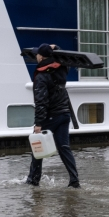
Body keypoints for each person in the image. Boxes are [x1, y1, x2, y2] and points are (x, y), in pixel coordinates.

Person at [26, 43, 80, 188]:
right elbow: (63, 56)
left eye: (38, 53)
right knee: (64, 148)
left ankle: (33, 180)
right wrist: (56, 47)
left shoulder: (42, 76)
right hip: (64, 114)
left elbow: (41, 101)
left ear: (41, 57)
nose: (36, 55)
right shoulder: (62, 68)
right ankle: (74, 181)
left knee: (37, 148)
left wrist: (38, 123)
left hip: (51, 116)